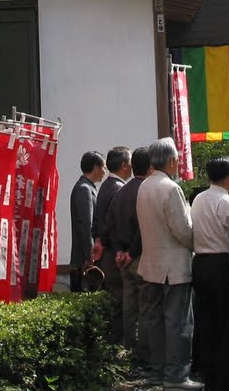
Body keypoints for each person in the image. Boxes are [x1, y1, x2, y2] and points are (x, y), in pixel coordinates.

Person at [136, 137, 202, 391]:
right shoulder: (170, 188)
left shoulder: (144, 186)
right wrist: (196, 243)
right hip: (173, 267)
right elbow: (183, 230)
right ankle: (175, 376)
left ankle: (157, 373)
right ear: (172, 160)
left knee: (154, 323)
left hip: (150, 264)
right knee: (178, 323)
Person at [190, 157, 229, 391]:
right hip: (221, 264)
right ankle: (227, 376)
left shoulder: (199, 199)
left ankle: (208, 371)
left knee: (206, 320)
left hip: (201, 263)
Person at [107, 146, 152, 372]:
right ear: (151, 166)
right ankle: (143, 357)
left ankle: (128, 350)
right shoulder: (145, 191)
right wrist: (131, 253)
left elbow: (111, 225)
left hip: (122, 258)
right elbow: (143, 228)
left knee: (129, 306)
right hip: (140, 257)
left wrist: (119, 252)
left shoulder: (121, 191)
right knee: (145, 308)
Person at [93, 146, 132, 341]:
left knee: (113, 301)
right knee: (119, 303)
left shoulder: (106, 186)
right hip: (113, 255)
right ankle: (118, 346)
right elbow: (114, 224)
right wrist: (120, 250)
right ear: (125, 165)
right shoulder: (118, 188)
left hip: (105, 252)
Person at [69, 150, 106, 293]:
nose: (104, 171)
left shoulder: (87, 187)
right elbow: (86, 225)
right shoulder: (84, 189)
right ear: (96, 167)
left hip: (83, 257)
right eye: (103, 167)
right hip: (82, 260)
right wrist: (89, 256)